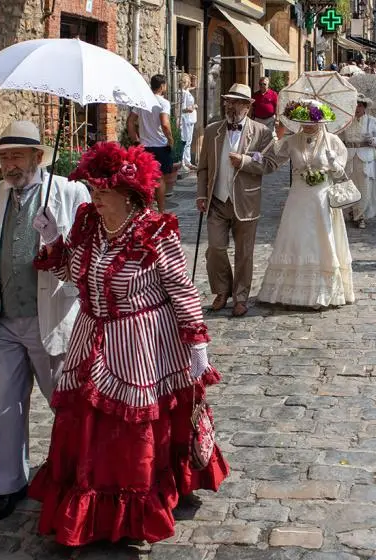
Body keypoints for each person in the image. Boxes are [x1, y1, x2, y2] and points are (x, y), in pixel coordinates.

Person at [28, 142, 229, 546]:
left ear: (129, 194)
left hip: (140, 343)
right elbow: (72, 272)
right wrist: (53, 239)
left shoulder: (154, 231)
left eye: (103, 191)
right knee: (87, 427)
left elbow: (182, 289)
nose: (95, 197)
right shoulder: (88, 225)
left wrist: (196, 343)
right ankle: (89, 510)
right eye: (93, 190)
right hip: (91, 336)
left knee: (133, 430)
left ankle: (135, 512)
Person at [0, 120, 91, 522]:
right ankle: (9, 484)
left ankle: (76, 479)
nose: (10, 164)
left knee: (64, 406)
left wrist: (55, 239)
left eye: (17, 156)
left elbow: (82, 261)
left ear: (37, 157)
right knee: (6, 406)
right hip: (4, 321)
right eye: (4, 157)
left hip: (51, 318)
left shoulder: (68, 192)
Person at [257, 101, 355, 308]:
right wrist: (273, 138)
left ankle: (324, 290)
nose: (308, 125)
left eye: (312, 121)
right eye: (304, 122)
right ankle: (289, 291)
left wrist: (333, 162)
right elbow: (273, 158)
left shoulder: (333, 141)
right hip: (298, 197)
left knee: (321, 238)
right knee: (296, 237)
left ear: (320, 121)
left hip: (322, 198)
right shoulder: (292, 141)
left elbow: (340, 173)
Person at [196, 83, 278, 317]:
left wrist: (244, 161)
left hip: (246, 201)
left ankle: (240, 297)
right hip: (217, 200)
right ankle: (222, 290)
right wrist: (202, 194)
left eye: (235, 101)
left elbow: (270, 164)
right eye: (227, 101)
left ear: (246, 106)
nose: (229, 105)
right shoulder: (213, 131)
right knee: (215, 248)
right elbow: (202, 168)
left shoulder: (261, 132)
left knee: (244, 252)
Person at [127, 74, 173, 213]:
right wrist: (170, 139)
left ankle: (146, 209)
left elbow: (130, 121)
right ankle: (161, 211)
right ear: (162, 86)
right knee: (159, 180)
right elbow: (165, 124)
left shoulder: (143, 101)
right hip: (160, 146)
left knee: (145, 179)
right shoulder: (163, 103)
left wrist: (135, 139)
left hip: (145, 146)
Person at [340, 95, 376, 228]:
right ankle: (352, 211)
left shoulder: (371, 120)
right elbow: (340, 138)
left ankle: (362, 216)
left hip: (366, 157)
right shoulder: (347, 121)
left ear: (364, 107)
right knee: (350, 185)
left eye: (360, 105)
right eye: (355, 105)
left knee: (364, 186)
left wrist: (373, 140)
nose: (357, 108)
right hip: (349, 157)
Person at [179, 73, 198, 172]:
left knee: (188, 141)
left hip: (189, 119)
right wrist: (193, 107)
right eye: (188, 81)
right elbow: (183, 109)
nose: (189, 83)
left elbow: (194, 87)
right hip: (186, 119)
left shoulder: (185, 91)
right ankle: (183, 162)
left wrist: (194, 79)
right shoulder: (184, 93)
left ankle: (187, 161)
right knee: (185, 141)